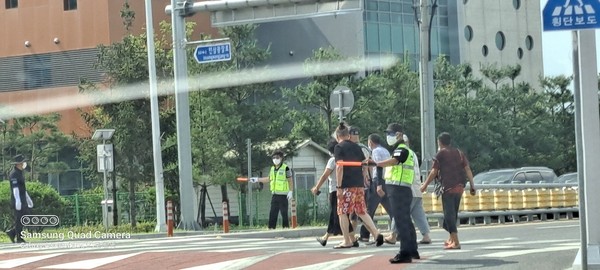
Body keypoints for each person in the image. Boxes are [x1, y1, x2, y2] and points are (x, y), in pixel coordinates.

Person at [421, 132, 476, 250]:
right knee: (452, 214)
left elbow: (434, 172)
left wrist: (424, 185)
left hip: (448, 188)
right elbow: (467, 169)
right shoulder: (459, 153)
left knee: (449, 216)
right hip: (460, 187)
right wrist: (472, 185)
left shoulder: (440, 154)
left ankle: (456, 242)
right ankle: (451, 239)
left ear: (439, 142)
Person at [333, 122, 384, 249]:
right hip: (359, 184)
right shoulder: (357, 147)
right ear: (348, 135)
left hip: (346, 185)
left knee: (342, 212)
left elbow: (339, 168)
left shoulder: (339, 147)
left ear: (337, 135)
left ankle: (347, 240)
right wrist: (365, 177)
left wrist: (338, 187)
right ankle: (376, 233)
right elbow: (364, 164)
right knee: (361, 211)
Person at [374, 123, 418, 264]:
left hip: (398, 189)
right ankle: (412, 249)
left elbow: (394, 161)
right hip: (400, 189)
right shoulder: (403, 150)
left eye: (391, 134)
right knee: (405, 221)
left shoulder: (402, 149)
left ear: (399, 135)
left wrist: (377, 163)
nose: (389, 137)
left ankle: (405, 252)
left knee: (401, 222)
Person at [385, 134, 432, 245]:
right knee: (418, 213)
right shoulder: (412, 154)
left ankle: (393, 235)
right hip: (416, 187)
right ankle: (426, 235)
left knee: (400, 211)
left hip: (407, 187)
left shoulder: (402, 153)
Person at [311, 139, 353, 246]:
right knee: (344, 214)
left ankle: (326, 237)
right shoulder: (346, 159)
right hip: (346, 189)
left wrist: (317, 187)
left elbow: (325, 175)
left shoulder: (333, 160)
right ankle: (352, 238)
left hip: (335, 190)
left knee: (335, 214)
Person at [358, 133, 394, 243]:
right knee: (391, 209)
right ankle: (397, 232)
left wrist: (377, 184)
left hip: (378, 182)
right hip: (387, 180)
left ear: (371, 142)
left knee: (369, 209)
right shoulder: (386, 151)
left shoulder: (376, 151)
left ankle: (365, 235)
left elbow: (378, 166)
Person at [250, 150, 294, 229]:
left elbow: (290, 180)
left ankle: (286, 228)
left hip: (283, 195)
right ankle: (271, 228)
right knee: (273, 212)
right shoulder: (272, 169)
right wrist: (257, 179)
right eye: (273, 158)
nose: (275, 159)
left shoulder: (286, 168)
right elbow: (269, 179)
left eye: (277, 157)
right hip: (275, 194)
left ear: (281, 158)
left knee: (284, 213)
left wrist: (290, 191)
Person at [6, 154, 33, 243]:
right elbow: (15, 189)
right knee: (19, 219)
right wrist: (18, 201)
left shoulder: (20, 173)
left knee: (24, 217)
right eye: (22, 162)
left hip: (22, 199)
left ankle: (12, 232)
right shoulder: (14, 174)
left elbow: (22, 188)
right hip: (18, 200)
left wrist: (28, 198)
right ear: (18, 164)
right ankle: (19, 237)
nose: (23, 164)